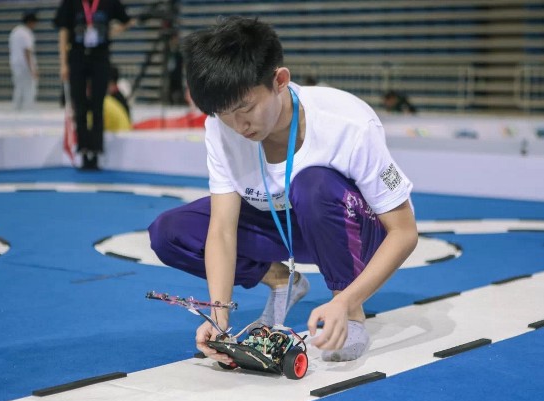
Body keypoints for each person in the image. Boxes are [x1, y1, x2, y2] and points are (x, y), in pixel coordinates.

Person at [148, 17, 418, 363]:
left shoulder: (348, 124)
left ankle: (351, 314)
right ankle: (281, 281)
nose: (238, 125)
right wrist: (218, 316)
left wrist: (346, 301)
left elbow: (404, 232)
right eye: (224, 113)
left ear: (280, 80)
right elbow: (222, 230)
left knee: (312, 184)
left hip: (355, 227)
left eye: (246, 108)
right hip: (285, 225)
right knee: (170, 231)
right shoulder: (221, 128)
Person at [54, 0, 133, 170]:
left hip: (100, 57)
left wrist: (112, 32)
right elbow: (63, 30)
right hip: (77, 56)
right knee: (80, 106)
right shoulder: (71, 3)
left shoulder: (108, 2)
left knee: (98, 105)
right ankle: (83, 151)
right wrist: (63, 64)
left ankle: (96, 151)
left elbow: (127, 20)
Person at [9, 11, 38, 111]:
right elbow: (27, 52)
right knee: (29, 88)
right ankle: (28, 108)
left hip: (15, 64)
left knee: (18, 87)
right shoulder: (26, 33)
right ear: (30, 22)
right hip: (25, 66)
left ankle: (16, 108)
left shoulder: (15, 31)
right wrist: (32, 69)